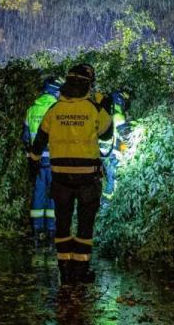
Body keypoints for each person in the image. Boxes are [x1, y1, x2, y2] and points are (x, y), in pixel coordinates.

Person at [29, 64, 113, 285]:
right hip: (88, 179)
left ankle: (65, 272)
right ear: (88, 84)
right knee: (85, 227)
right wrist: (105, 106)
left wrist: (33, 164)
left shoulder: (54, 110)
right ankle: (80, 272)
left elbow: (39, 142)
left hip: (60, 178)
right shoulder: (93, 109)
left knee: (63, 226)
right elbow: (107, 135)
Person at [22, 76, 62, 244]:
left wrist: (32, 155)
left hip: (37, 160)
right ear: (54, 91)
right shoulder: (58, 109)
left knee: (38, 193)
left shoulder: (31, 109)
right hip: (54, 159)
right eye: (59, 91)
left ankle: (36, 230)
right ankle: (52, 231)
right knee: (54, 193)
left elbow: (25, 137)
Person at [100, 90, 131, 206]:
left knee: (109, 177)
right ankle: (107, 205)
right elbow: (125, 134)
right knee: (113, 179)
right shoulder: (117, 114)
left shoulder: (107, 112)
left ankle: (106, 202)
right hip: (113, 153)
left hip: (104, 151)